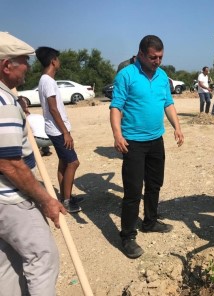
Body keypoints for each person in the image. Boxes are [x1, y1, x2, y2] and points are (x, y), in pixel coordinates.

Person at [0, 31, 65, 296]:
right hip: (10, 199)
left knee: (8, 265)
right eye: (23, 60)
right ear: (6, 65)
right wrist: (46, 199)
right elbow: (9, 164)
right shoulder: (3, 102)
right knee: (43, 257)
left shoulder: (7, 98)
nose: (28, 66)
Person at [110, 35, 184, 259]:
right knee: (133, 191)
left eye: (160, 57)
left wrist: (177, 127)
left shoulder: (162, 76)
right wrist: (117, 134)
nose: (157, 61)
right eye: (153, 57)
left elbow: (168, 103)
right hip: (133, 142)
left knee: (154, 184)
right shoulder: (126, 75)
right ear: (141, 54)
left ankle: (150, 221)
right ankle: (127, 236)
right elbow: (115, 107)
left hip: (156, 141)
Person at [35, 47, 83, 213]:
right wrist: (65, 132)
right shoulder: (47, 81)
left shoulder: (45, 80)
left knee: (64, 163)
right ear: (53, 61)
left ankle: (65, 196)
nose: (59, 62)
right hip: (57, 130)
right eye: (58, 59)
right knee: (73, 162)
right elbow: (53, 109)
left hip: (54, 129)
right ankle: (67, 201)